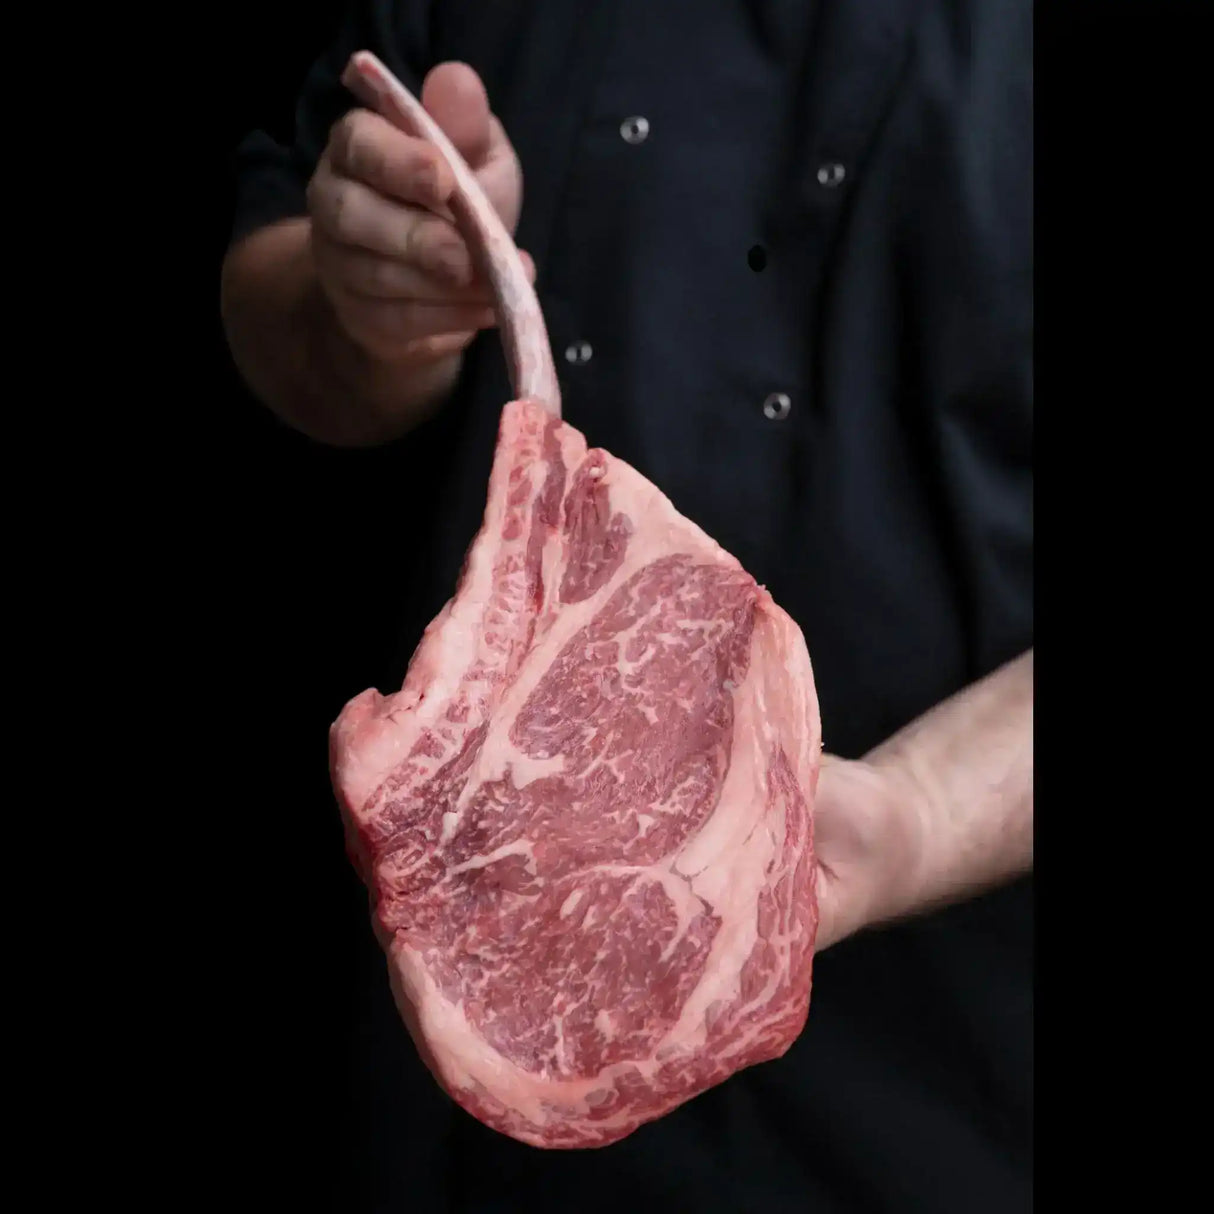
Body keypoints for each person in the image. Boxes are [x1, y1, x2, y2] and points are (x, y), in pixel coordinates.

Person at [221, 1, 1033, 1210]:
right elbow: (273, 304)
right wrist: (373, 308)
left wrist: (914, 811)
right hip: (445, 1039)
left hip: (915, 1101)